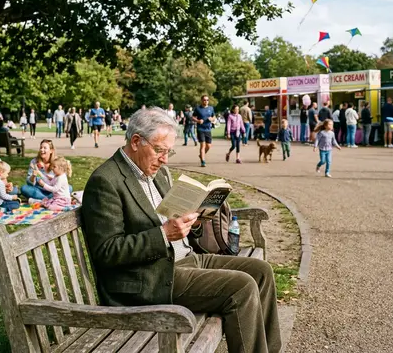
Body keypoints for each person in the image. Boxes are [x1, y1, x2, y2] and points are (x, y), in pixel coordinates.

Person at [81, 107, 281, 353]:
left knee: (261, 271)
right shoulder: (106, 181)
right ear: (135, 141)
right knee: (242, 287)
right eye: (160, 150)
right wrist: (164, 235)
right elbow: (107, 251)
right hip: (151, 277)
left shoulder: (158, 173)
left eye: (169, 151)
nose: (165, 159)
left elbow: (173, 221)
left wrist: (193, 224)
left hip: (185, 259)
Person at [193, 95, 216, 167]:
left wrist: (212, 119)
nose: (206, 101)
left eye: (207, 100)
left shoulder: (211, 108)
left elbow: (214, 116)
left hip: (208, 129)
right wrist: (198, 121)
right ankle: (203, 161)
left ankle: (201, 155)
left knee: (208, 146)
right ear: (201, 100)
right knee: (202, 145)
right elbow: (193, 117)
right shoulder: (198, 108)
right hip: (200, 129)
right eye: (204, 100)